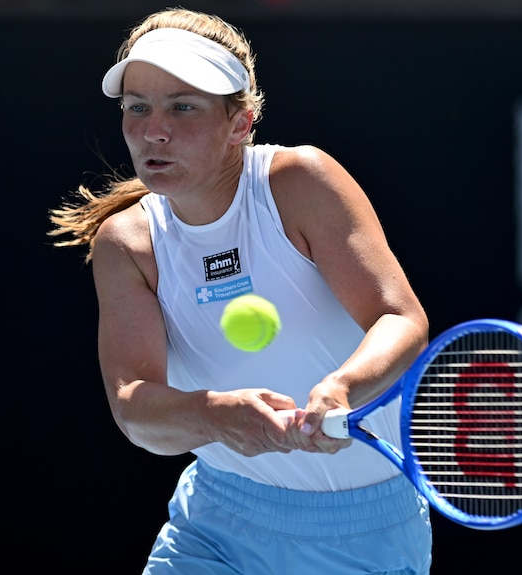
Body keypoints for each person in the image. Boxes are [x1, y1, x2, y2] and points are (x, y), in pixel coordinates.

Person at [50, 8, 432, 574]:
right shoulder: (127, 243)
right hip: (216, 524)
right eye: (138, 108)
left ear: (241, 123)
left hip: (365, 534)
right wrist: (215, 415)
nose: (154, 129)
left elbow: (400, 319)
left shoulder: (301, 182)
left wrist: (343, 386)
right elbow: (133, 405)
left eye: (183, 106)